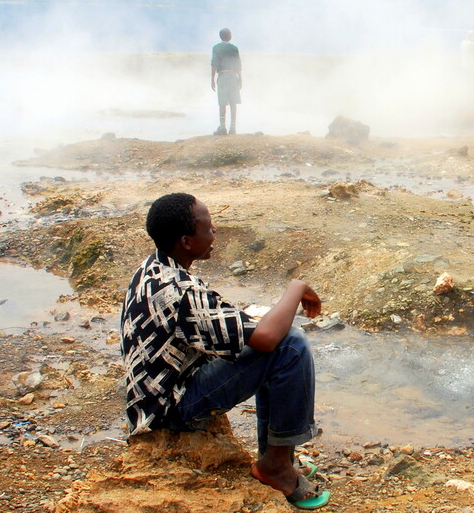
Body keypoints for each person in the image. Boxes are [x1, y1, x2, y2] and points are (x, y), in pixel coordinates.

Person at [120, 192, 330, 509]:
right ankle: (275, 466)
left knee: (273, 344)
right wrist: (296, 287)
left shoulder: (152, 268)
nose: (214, 232)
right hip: (169, 409)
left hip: (151, 398)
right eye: (208, 228)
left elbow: (230, 328)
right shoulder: (182, 291)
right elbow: (266, 339)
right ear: (186, 242)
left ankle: (278, 458)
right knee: (291, 345)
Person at [211, 28, 242, 135]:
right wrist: (240, 78)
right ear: (230, 36)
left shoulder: (216, 48)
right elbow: (238, 64)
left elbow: (214, 64)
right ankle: (233, 127)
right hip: (233, 76)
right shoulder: (234, 48)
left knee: (222, 103)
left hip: (223, 76)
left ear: (221, 36)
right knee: (233, 103)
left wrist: (212, 79)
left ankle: (222, 127)